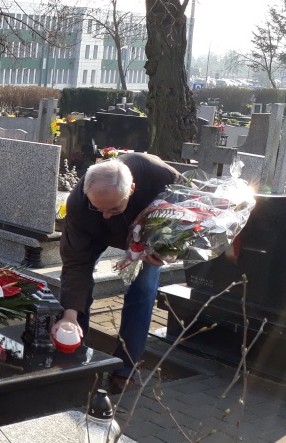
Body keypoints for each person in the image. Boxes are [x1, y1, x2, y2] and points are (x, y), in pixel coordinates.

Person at [52, 153, 180, 393]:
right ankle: (73, 357)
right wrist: (69, 315)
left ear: (131, 189)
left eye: (113, 208)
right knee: (76, 295)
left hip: (147, 235)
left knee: (143, 287)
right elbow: (76, 264)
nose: (106, 215)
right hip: (94, 233)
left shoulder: (160, 176)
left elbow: (191, 215)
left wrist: (169, 248)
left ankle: (126, 367)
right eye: (98, 208)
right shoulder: (80, 204)